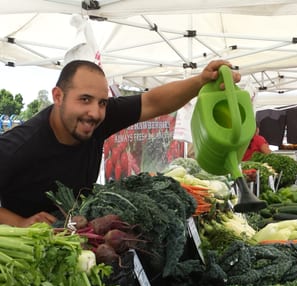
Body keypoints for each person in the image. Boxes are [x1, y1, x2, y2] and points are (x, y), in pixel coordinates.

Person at [0, 59, 240, 227]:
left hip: (70, 236)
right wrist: (20, 223)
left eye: (102, 102)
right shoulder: (18, 147)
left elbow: (153, 102)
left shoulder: (97, 120)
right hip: (21, 257)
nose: (94, 112)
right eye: (84, 99)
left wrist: (200, 81)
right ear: (58, 97)